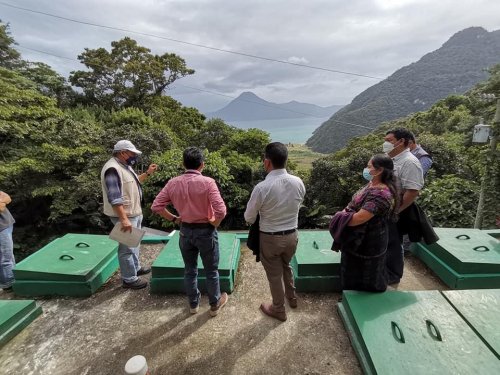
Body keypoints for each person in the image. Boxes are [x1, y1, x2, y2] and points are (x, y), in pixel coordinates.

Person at [151, 147, 228, 317]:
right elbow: (221, 211)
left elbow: (156, 206)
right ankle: (214, 304)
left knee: (190, 270)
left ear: (183, 164)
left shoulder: (173, 183)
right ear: (202, 165)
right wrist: (214, 222)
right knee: (211, 271)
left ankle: (193, 305)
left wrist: (174, 219)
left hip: (185, 231)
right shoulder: (208, 182)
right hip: (205, 232)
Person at [244, 142, 306, 322]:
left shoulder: (262, 187)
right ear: (286, 160)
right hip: (292, 236)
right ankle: (292, 299)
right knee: (286, 265)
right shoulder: (298, 182)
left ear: (267, 162)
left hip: (270, 238)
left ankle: (278, 309)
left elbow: (249, 217)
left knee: (274, 275)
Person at [333, 154, 399, 292]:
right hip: (360, 236)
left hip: (368, 239)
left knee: (365, 270)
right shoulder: (373, 183)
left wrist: (339, 218)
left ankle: (359, 296)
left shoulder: (381, 194)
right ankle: (349, 293)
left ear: (379, 170)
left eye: (369, 166)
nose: (366, 169)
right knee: (351, 266)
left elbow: (360, 218)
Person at [101, 140, 158, 290]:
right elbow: (114, 197)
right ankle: (129, 278)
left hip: (134, 212)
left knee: (135, 243)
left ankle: (136, 268)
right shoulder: (112, 169)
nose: (134, 156)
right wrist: (124, 219)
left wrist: (147, 173)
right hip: (125, 214)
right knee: (126, 248)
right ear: (122, 152)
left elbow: (135, 182)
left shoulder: (125, 166)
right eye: (132, 153)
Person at [383, 128, 424, 284]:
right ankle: (384, 269)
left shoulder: (410, 162)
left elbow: (413, 191)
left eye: (389, 140)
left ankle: (393, 275)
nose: (385, 143)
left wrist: (396, 211)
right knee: (386, 240)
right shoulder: (393, 159)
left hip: (396, 210)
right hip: (387, 208)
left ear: (401, 142)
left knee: (394, 241)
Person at [0, 191, 16, 292]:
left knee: (9, 255)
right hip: (1, 229)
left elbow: (8, 198)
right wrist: (2, 203)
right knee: (5, 258)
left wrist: (2, 201)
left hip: (7, 225)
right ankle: (9, 284)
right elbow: (1, 207)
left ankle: (14, 279)